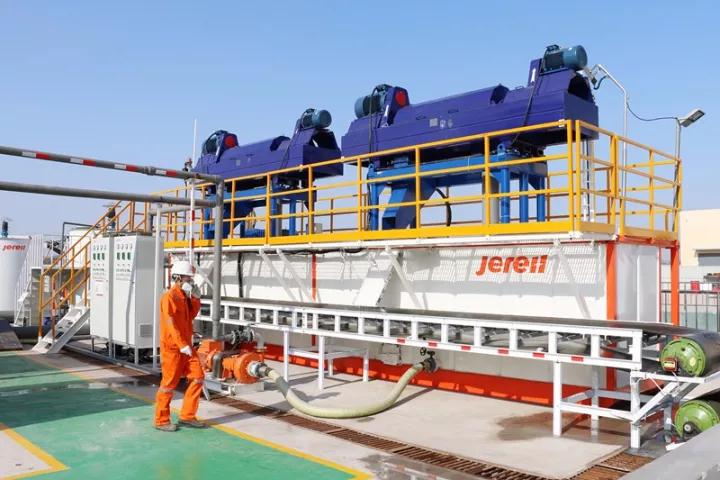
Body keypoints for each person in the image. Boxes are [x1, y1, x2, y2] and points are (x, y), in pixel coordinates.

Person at [154, 260, 208, 431]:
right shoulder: (168, 297)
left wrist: (196, 299)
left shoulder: (184, 297)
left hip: (186, 347)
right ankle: (161, 421)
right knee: (168, 385)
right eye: (187, 278)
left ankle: (187, 416)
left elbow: (190, 316)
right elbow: (170, 324)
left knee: (198, 377)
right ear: (177, 277)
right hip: (173, 349)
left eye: (190, 278)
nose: (190, 281)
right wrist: (181, 344)